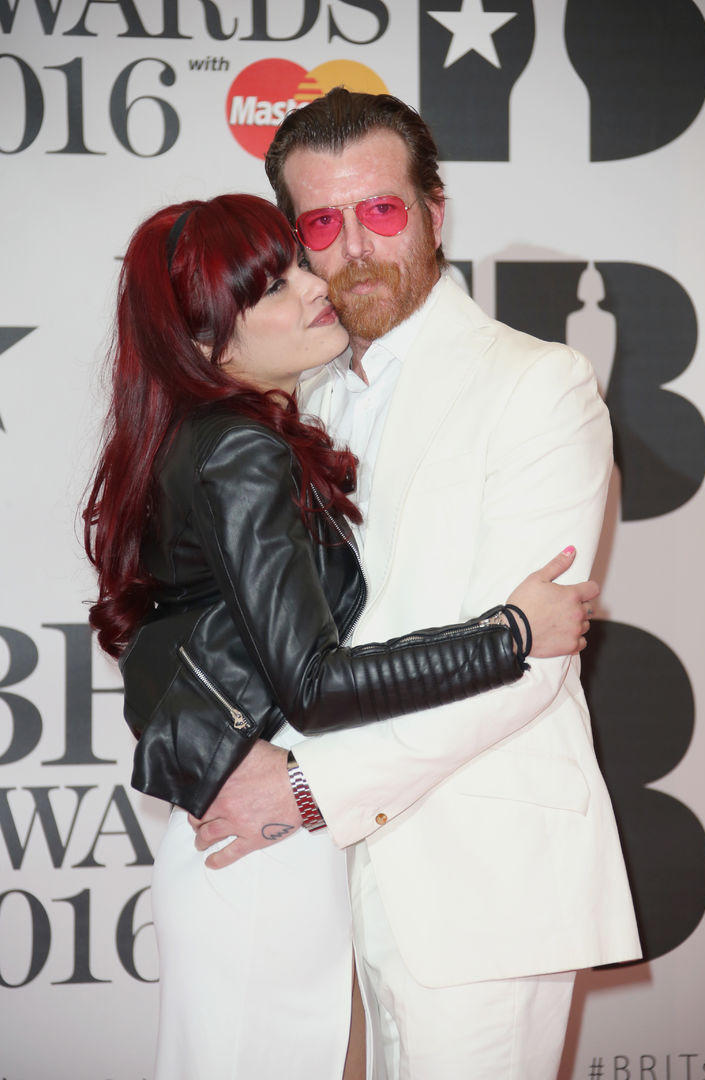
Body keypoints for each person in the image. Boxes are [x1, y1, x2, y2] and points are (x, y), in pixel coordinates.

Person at [83, 192, 597, 1080]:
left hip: (255, 834)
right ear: (211, 344)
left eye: (293, 264)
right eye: (271, 290)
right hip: (257, 843)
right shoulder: (241, 449)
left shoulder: (215, 438)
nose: (311, 285)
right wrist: (509, 633)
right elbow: (313, 685)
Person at [189, 91, 642, 1080]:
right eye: (322, 222)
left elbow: (528, 665)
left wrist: (308, 790)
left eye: (382, 212)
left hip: (479, 880)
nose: (354, 248)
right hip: (313, 892)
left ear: (436, 211)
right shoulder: (291, 398)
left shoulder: (538, 384)